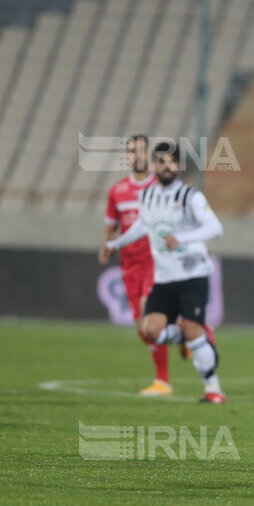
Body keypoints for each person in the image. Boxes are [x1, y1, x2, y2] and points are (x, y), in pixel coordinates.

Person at [100, 141, 225, 403]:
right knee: (149, 329)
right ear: (155, 164)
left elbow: (215, 228)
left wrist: (184, 237)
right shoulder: (147, 196)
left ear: (179, 166)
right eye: (161, 161)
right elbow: (142, 227)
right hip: (165, 277)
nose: (166, 167)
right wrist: (115, 243)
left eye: (172, 162)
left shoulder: (191, 196)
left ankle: (213, 389)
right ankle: (195, 334)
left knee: (191, 331)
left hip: (192, 274)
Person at [99, 135, 173, 396]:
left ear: (148, 155)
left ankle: (162, 381)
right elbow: (111, 224)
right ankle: (186, 332)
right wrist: (107, 245)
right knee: (143, 329)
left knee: (149, 315)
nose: (136, 156)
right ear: (127, 157)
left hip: (155, 262)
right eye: (132, 151)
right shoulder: (117, 191)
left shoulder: (161, 185)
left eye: (141, 151)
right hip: (129, 266)